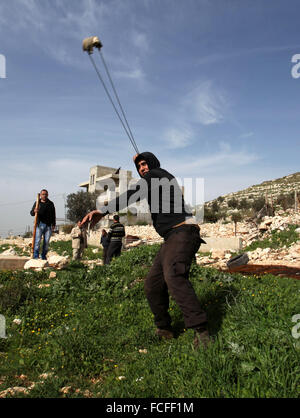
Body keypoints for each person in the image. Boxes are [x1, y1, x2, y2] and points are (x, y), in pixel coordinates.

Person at [81, 152, 209, 349]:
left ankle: (202, 332)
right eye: (139, 166)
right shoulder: (154, 182)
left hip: (184, 231)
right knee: (152, 284)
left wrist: (104, 210)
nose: (142, 168)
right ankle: (164, 329)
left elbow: (132, 194)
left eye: (144, 164)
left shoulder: (157, 174)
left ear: (153, 164)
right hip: (171, 238)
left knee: (173, 275)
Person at [30, 189, 56, 260]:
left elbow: (53, 215)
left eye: (45, 194)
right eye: (43, 194)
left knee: (46, 242)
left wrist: (53, 224)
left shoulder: (50, 203)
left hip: (48, 225)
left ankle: (43, 256)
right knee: (37, 240)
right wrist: (34, 211)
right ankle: (35, 256)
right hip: (40, 225)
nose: (44, 195)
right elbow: (31, 213)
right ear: (40, 195)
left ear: (47, 195)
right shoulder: (37, 203)